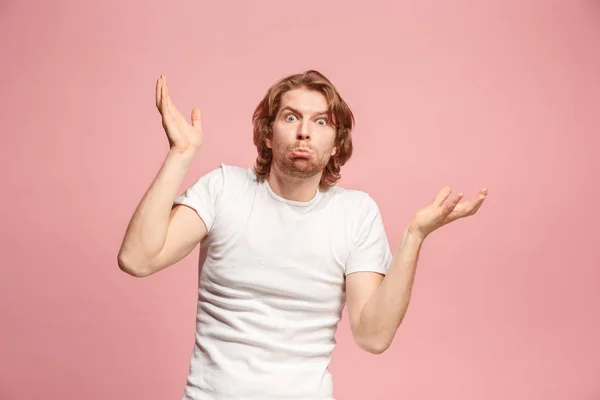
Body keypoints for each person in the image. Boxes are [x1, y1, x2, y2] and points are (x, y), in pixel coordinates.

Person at [117, 70, 487, 400]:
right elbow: (137, 259)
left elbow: (373, 336)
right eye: (291, 117)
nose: (304, 131)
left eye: (321, 122)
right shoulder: (224, 188)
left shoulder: (355, 213)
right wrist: (181, 153)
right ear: (266, 133)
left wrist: (414, 236)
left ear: (337, 143)